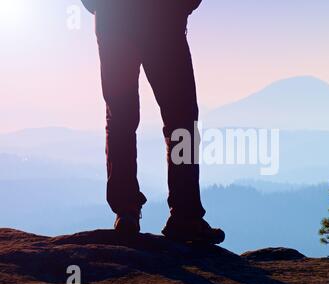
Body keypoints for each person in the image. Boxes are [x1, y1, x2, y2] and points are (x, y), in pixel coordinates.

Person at [80, 0, 224, 244]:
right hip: (160, 18)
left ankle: (127, 211)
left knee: (122, 117)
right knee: (181, 119)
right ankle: (185, 214)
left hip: (116, 18)